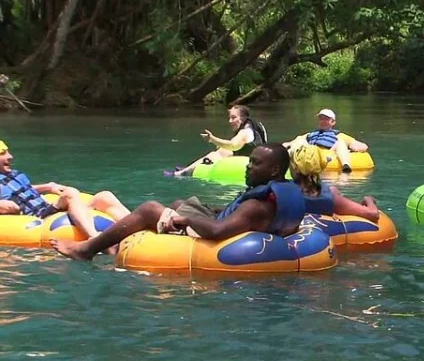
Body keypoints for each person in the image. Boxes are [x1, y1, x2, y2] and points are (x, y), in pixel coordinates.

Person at [52, 143, 305, 261]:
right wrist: (214, 209)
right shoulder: (280, 191)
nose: (248, 168)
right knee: (178, 201)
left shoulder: (257, 204)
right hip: (240, 227)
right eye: (249, 161)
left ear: (274, 171)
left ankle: (87, 250)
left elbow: (218, 232)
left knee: (151, 208)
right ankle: (119, 240)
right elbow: (241, 216)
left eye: (256, 164)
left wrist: (186, 219)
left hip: (221, 238)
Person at [0, 140, 130, 240]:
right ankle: (94, 237)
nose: (10, 156)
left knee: (105, 196)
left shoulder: (13, 174)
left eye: (8, 152)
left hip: (46, 208)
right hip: (35, 217)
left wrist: (49, 186)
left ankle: (136, 230)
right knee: (70, 194)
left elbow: (22, 190)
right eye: (3, 153)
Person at [290, 141, 379, 222]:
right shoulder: (331, 194)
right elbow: (373, 214)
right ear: (321, 167)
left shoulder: (284, 191)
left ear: (294, 167)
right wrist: (368, 200)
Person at [169, 105, 267, 176]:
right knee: (223, 150)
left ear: (243, 118)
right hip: (255, 158)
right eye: (229, 118)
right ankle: (188, 168)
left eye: (233, 118)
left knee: (215, 154)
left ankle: (181, 173)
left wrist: (212, 139)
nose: (230, 121)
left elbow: (233, 145)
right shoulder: (251, 126)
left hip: (253, 162)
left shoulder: (246, 131)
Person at [283, 109, 368, 174]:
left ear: (333, 122)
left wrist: (353, 147)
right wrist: (284, 146)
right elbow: (290, 143)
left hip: (329, 155)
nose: (323, 121)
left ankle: (346, 166)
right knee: (300, 139)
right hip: (312, 155)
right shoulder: (310, 134)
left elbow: (363, 146)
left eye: (326, 119)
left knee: (340, 143)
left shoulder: (339, 135)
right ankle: (287, 162)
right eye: (321, 119)